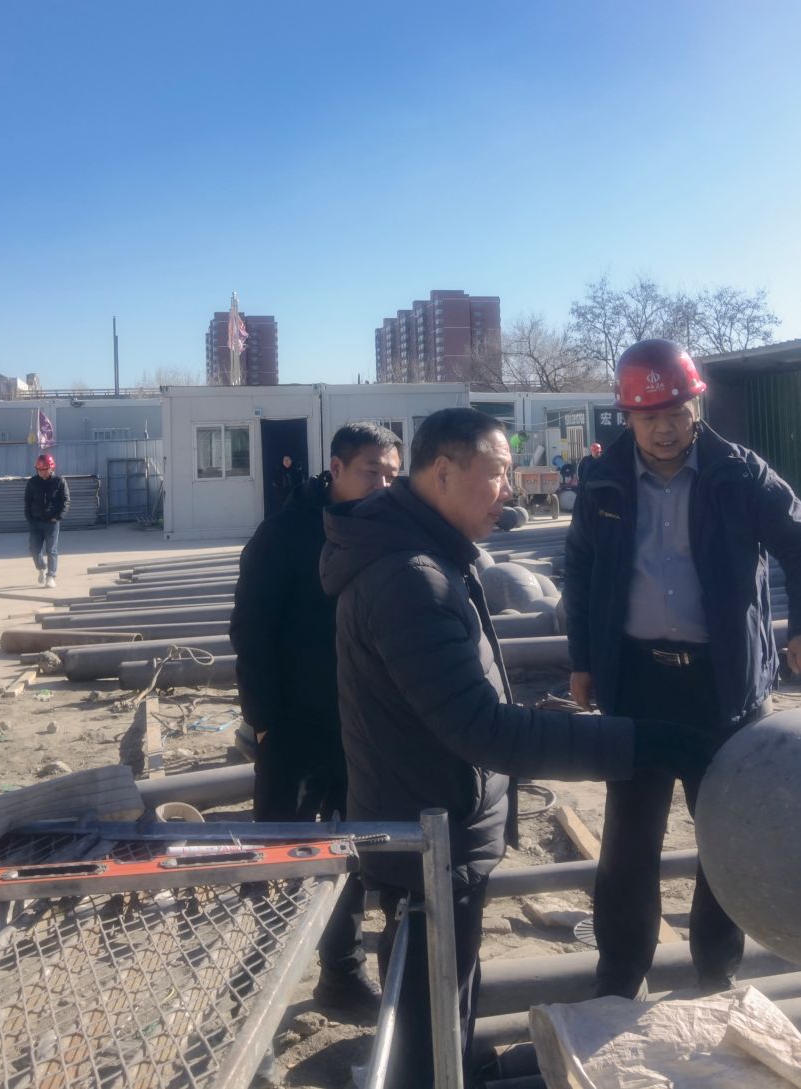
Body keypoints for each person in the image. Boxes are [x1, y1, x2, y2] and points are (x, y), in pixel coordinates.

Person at [323, 406, 712, 1084]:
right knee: (428, 997)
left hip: (437, 815)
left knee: (448, 982)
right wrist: (647, 744)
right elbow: (486, 729)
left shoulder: (432, 555)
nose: (509, 489)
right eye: (498, 472)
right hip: (429, 827)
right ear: (444, 472)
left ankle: (452, 1060)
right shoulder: (411, 579)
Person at [565, 339, 801, 1001]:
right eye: (648, 415)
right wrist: (583, 661)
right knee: (629, 842)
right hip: (637, 684)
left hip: (723, 686)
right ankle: (619, 973)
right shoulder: (602, 480)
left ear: (696, 406)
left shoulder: (738, 474)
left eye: (676, 412)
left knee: (726, 835)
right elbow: (580, 570)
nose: (664, 427)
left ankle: (716, 970)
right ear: (628, 417)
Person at [230, 421, 404, 1014]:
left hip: (366, 724)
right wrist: (264, 721)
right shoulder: (285, 534)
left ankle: (342, 975)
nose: (383, 485)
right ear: (336, 469)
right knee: (278, 857)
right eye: (371, 472)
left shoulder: (390, 529)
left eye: (392, 474)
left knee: (350, 850)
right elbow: (250, 630)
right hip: (296, 724)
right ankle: (252, 993)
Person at [24, 453, 68, 587]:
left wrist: (58, 517)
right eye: (40, 470)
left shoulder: (59, 481)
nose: (42, 472)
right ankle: (41, 567)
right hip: (35, 522)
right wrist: (29, 518)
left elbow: (65, 501)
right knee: (34, 549)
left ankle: (51, 576)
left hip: (52, 523)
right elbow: (27, 501)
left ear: (51, 468)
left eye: (45, 469)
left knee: (51, 550)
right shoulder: (32, 482)